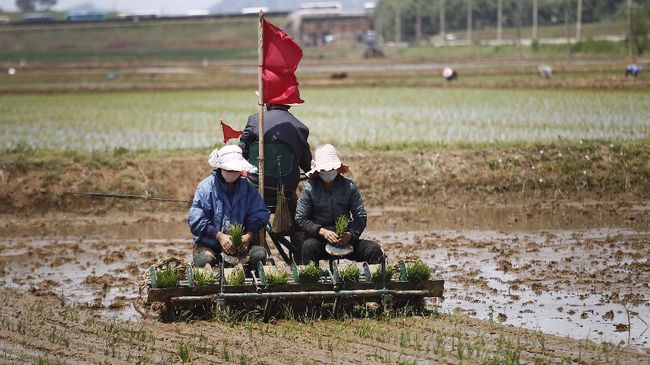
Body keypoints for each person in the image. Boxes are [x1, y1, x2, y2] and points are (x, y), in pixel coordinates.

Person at [294, 144, 383, 265]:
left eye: (331, 169)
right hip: (319, 240)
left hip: (344, 240)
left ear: (337, 169)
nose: (328, 172)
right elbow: (300, 219)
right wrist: (322, 231)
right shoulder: (309, 188)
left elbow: (360, 217)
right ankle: (312, 282)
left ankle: (376, 283)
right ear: (318, 171)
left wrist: (350, 234)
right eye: (324, 170)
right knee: (308, 247)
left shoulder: (349, 186)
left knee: (373, 249)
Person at [188, 145, 270, 270]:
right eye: (229, 169)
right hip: (209, 245)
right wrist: (219, 236)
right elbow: (196, 220)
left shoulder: (248, 189)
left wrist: (248, 236)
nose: (232, 173)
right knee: (205, 260)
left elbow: (259, 214)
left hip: (241, 246)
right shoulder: (206, 188)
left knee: (259, 254)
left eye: (235, 170)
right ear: (220, 168)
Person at [238, 104, 312, 215]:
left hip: (256, 183)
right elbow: (306, 164)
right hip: (286, 188)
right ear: (289, 104)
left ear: (268, 104)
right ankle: (293, 226)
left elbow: (241, 151)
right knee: (293, 198)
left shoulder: (255, 119)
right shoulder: (301, 127)